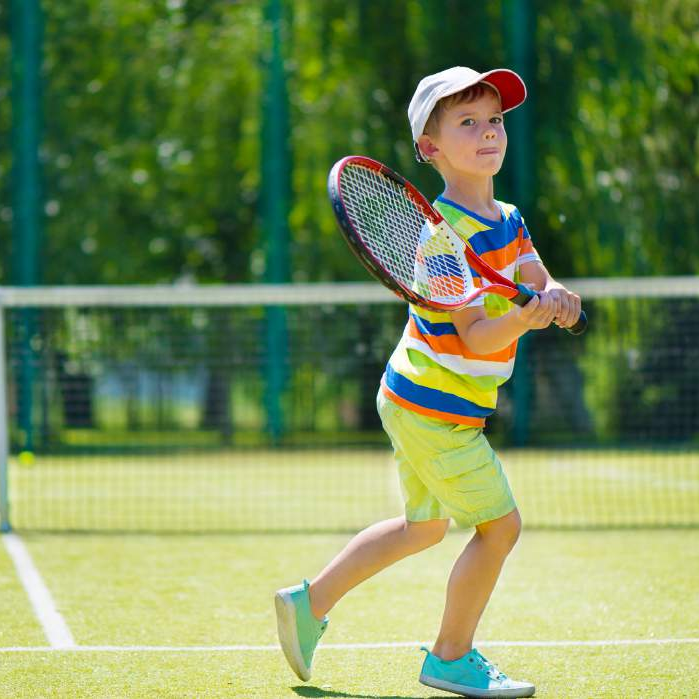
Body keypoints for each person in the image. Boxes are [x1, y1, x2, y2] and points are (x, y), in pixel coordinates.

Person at [275, 67, 582, 698]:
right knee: (500, 527)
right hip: (429, 405)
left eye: (493, 119)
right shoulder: (439, 241)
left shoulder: (511, 218)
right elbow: (475, 334)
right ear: (430, 148)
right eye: (466, 122)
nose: (487, 132)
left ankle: (309, 604)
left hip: (432, 401)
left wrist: (556, 298)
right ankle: (450, 655)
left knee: (424, 528)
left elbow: (537, 275)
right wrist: (523, 320)